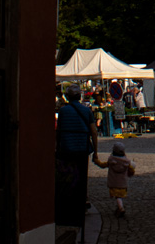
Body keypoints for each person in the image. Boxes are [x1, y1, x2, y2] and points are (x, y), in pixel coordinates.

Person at [55, 84, 99, 228]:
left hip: (67, 148)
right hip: (82, 148)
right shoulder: (86, 111)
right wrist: (96, 152)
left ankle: (69, 206)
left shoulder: (63, 111)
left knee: (68, 177)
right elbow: (93, 132)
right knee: (82, 176)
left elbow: (59, 131)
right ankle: (81, 203)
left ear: (67, 97)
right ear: (79, 96)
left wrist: (57, 147)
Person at [92, 141, 136, 218]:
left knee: (117, 197)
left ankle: (121, 208)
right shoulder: (127, 162)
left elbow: (103, 165)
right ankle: (119, 208)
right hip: (122, 183)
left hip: (113, 182)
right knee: (119, 196)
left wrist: (96, 161)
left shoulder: (111, 160)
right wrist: (131, 174)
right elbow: (131, 170)